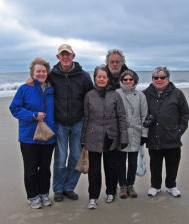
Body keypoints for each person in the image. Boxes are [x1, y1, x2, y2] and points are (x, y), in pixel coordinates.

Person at [47, 44, 93, 202]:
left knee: (75, 157)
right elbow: (39, 84)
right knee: (60, 158)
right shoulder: (51, 75)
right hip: (59, 123)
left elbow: (91, 98)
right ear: (58, 57)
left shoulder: (84, 76)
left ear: (73, 56)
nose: (65, 57)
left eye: (68, 54)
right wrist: (30, 81)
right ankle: (58, 188)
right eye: (62, 55)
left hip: (78, 123)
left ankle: (69, 187)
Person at [9, 57, 57, 209]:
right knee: (30, 169)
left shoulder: (52, 90)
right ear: (32, 73)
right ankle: (33, 197)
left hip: (48, 136)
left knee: (45, 168)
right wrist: (33, 116)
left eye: (44, 71)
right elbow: (14, 108)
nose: (41, 74)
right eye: (38, 71)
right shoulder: (24, 88)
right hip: (29, 136)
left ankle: (44, 194)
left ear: (47, 73)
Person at [81, 64, 128, 209]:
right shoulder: (89, 95)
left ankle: (111, 192)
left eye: (104, 77)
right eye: (99, 76)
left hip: (111, 135)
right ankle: (93, 197)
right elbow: (86, 118)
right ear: (95, 78)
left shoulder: (115, 95)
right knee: (94, 170)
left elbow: (121, 117)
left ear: (108, 79)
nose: (101, 79)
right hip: (93, 135)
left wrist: (124, 137)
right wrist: (83, 139)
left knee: (111, 167)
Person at [143, 67, 189, 198]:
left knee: (172, 164)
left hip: (172, 137)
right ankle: (155, 186)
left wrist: (179, 131)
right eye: (155, 77)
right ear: (152, 79)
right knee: (155, 164)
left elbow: (185, 114)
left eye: (162, 77)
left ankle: (171, 186)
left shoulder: (177, 94)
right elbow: (140, 113)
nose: (159, 80)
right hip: (153, 137)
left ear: (167, 79)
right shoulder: (145, 94)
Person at [115, 69, 148, 199]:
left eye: (130, 79)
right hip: (121, 133)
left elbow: (144, 115)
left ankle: (131, 185)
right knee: (121, 162)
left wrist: (144, 134)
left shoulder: (140, 95)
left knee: (133, 162)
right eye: (125, 79)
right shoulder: (116, 94)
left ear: (135, 80)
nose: (128, 82)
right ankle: (122, 186)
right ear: (121, 81)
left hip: (136, 131)